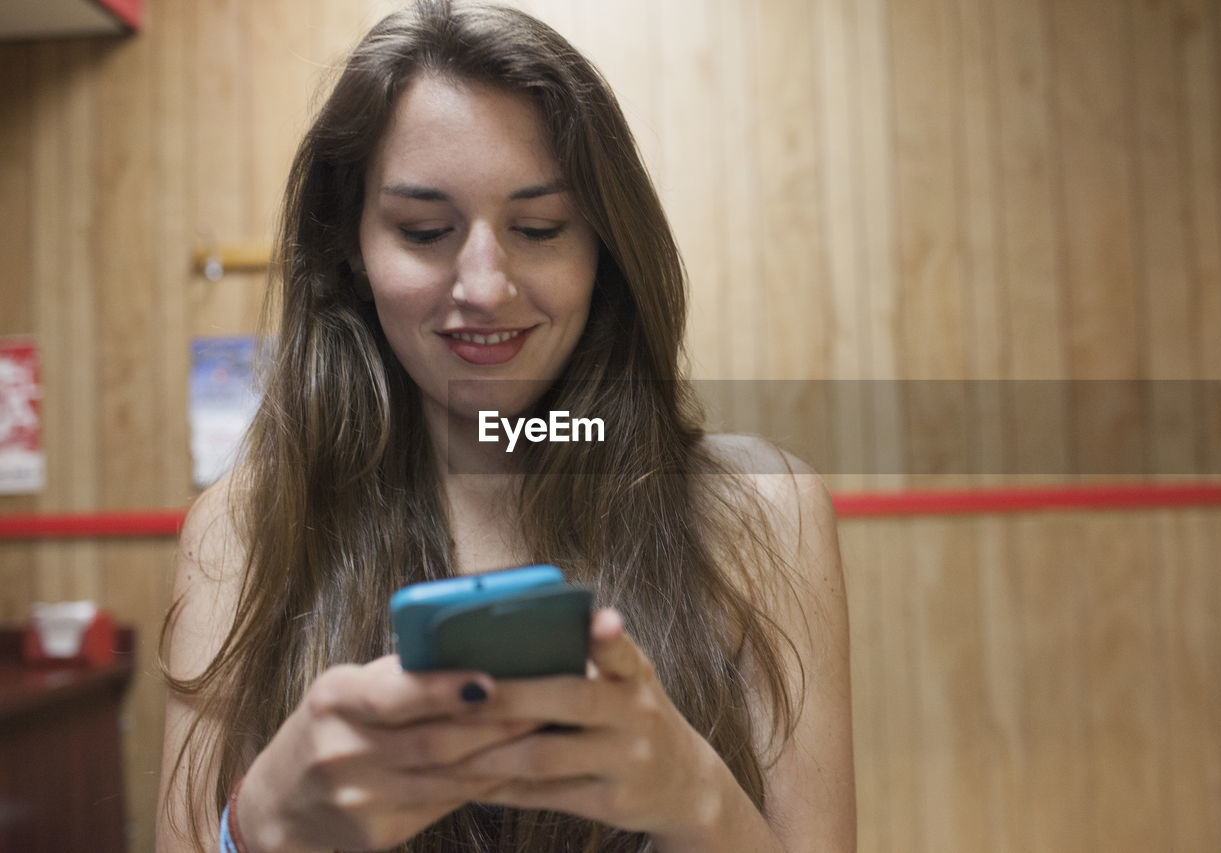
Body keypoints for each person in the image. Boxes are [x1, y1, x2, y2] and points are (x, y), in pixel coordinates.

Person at [157, 1, 855, 851]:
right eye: (424, 230)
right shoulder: (239, 532)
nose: (485, 285)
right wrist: (257, 827)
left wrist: (696, 799)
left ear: (605, 248)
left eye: (538, 228)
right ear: (351, 246)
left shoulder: (762, 515)